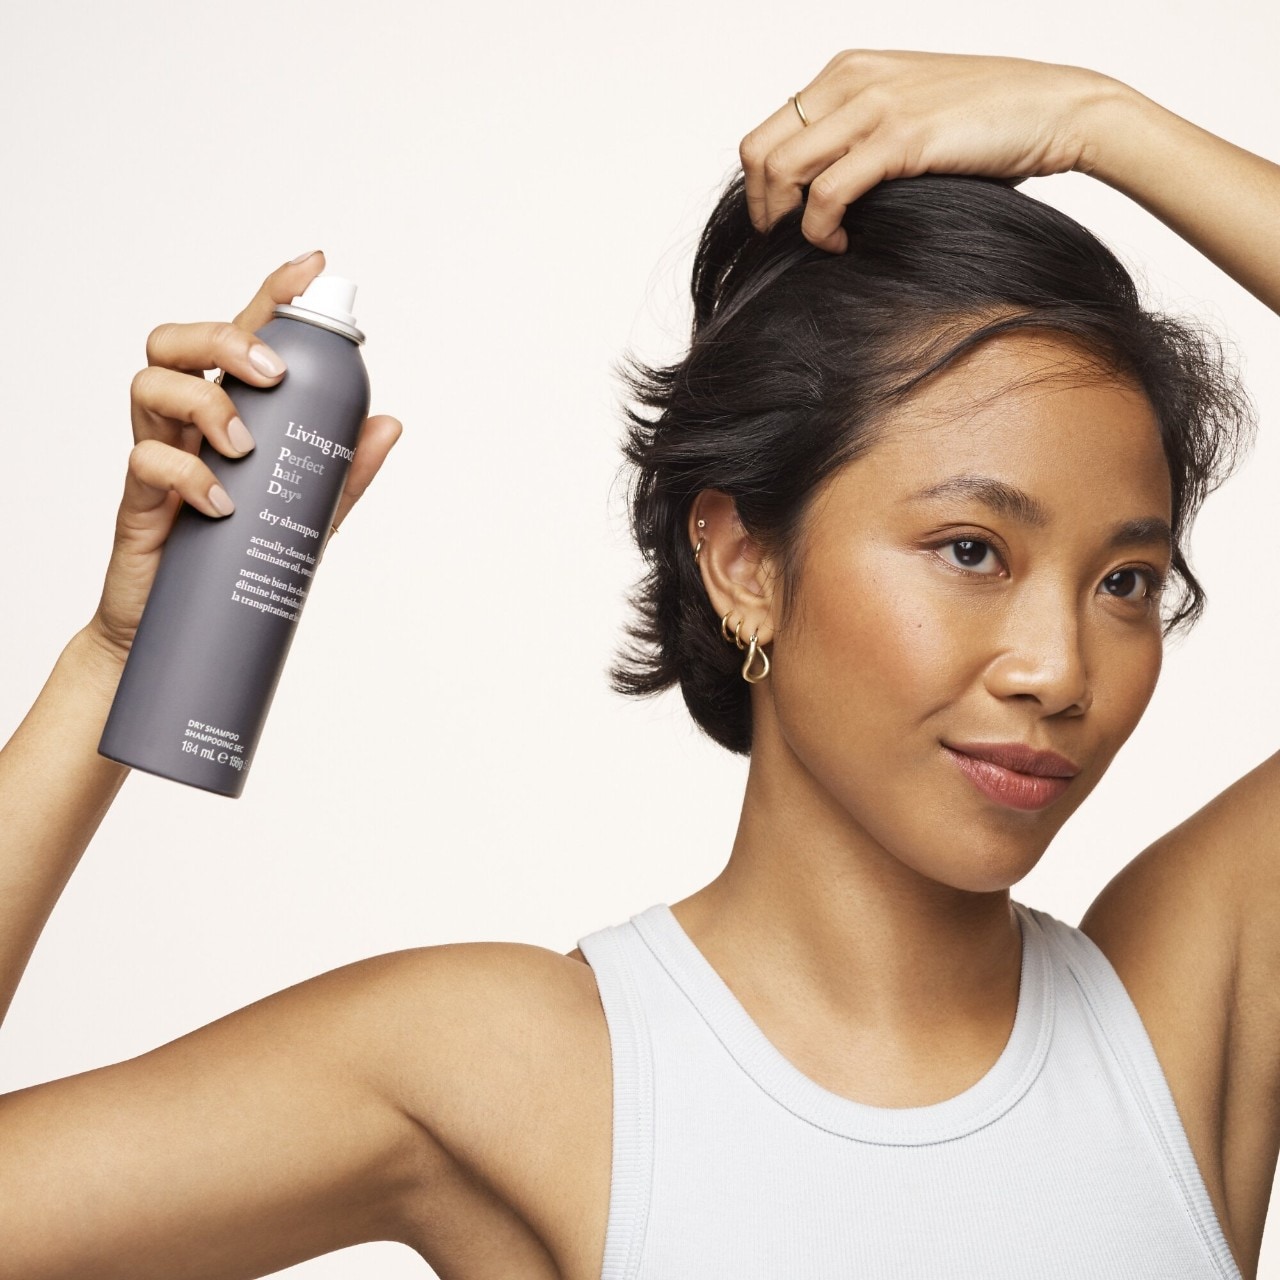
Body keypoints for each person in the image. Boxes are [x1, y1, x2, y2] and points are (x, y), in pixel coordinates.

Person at [1, 48, 1277, 1280]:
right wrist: (117, 663)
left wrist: (1097, 121)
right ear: (742, 561)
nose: (1057, 668)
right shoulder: (521, 1073)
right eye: (969, 549)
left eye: (1124, 581)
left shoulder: (1182, 1023)